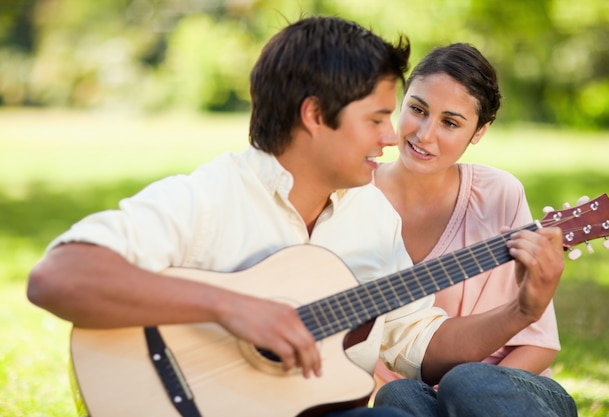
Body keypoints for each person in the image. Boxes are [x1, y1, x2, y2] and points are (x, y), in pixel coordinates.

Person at [27, 16, 567, 417]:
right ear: (315, 116)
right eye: (380, 117)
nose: (393, 136)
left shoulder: (369, 215)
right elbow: (58, 277)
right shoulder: (213, 196)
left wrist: (522, 309)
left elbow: (419, 345)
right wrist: (229, 306)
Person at [372, 43, 577, 416]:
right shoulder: (353, 198)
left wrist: (462, 400)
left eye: (450, 122)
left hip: (510, 392)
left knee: (466, 381)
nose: (425, 134)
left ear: (479, 131)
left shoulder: (498, 194)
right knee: (397, 396)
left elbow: (539, 345)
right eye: (417, 109)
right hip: (420, 398)